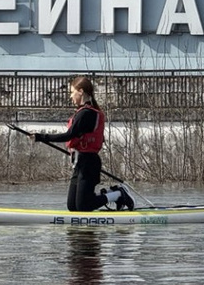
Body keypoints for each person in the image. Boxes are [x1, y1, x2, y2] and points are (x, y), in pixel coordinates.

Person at [30, 76, 134, 212]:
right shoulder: (82, 113)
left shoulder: (87, 113)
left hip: (89, 163)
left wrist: (41, 137)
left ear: (81, 91)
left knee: (83, 207)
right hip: (80, 162)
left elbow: (69, 135)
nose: (71, 96)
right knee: (73, 207)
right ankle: (102, 197)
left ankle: (118, 194)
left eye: (72, 92)